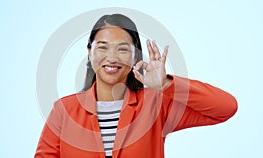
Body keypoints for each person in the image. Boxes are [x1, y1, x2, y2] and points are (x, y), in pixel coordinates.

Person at [35, 14, 238, 158]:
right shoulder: (64, 110)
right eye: (103, 47)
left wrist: (166, 85)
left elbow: (225, 108)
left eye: (123, 49)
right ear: (89, 52)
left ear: (135, 56)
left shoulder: (156, 105)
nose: (112, 57)